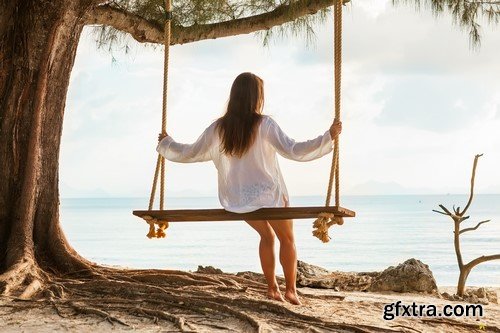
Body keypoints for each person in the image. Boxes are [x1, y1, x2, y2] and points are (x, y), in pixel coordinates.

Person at [157, 72, 342, 305]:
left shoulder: (219, 128)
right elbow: (293, 149)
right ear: (256, 97)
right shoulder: (265, 125)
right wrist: (328, 137)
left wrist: (166, 144)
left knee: (266, 236)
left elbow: (190, 152)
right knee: (287, 239)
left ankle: (272, 289)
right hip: (268, 197)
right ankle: (291, 291)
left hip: (237, 200)